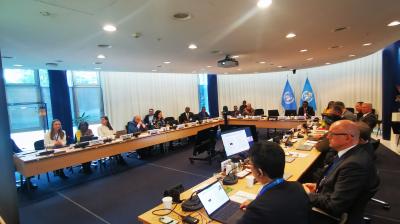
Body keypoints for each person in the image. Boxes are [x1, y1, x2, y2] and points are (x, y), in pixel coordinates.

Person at [303, 120, 379, 224]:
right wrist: (319, 186)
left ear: (348, 137)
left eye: (332, 134)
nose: (328, 137)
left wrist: (309, 195)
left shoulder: (354, 165)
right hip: (327, 198)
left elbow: (334, 206)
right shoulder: (349, 153)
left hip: (332, 216)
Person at [237, 141, 310, 224]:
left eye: (250, 164)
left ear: (260, 172)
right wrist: (256, 202)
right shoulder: (298, 187)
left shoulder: (257, 209)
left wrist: (255, 207)